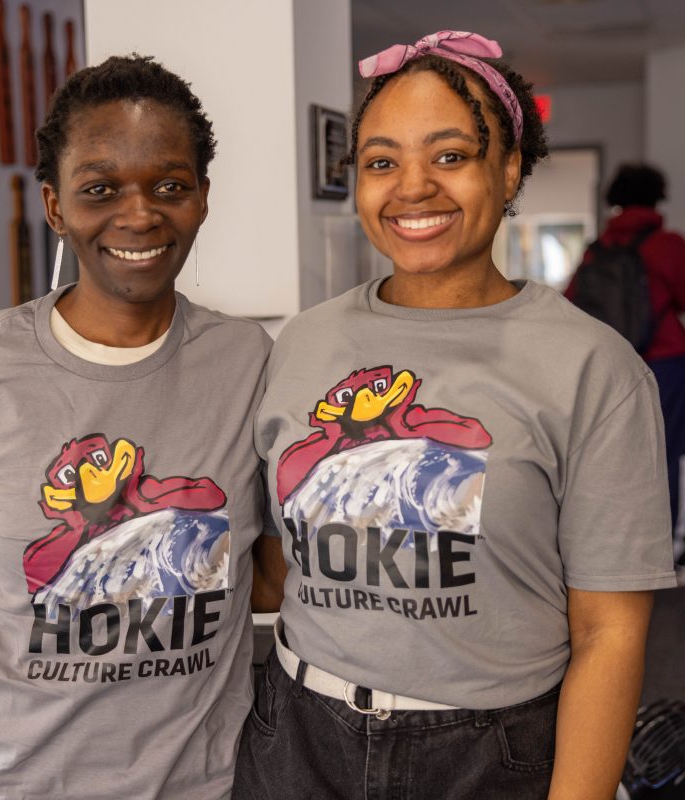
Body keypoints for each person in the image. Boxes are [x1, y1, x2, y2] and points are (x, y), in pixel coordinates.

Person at [233, 30, 676, 800]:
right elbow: (277, 555)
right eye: (382, 162)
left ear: (507, 170)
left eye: (450, 155)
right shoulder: (303, 344)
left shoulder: (595, 369)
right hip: (298, 735)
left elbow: (610, 634)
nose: (412, 187)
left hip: (490, 753)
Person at [0, 55, 279, 800]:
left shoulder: (248, 363)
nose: (138, 215)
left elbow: (266, 575)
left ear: (202, 198)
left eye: (169, 185)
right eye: (100, 190)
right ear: (55, 207)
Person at [566, 164, 685, 555]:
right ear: (657, 196)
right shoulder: (668, 245)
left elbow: (571, 308)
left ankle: (617, 547)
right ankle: (660, 548)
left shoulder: (598, 249)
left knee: (615, 455)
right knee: (662, 455)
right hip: (665, 362)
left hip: (613, 366)